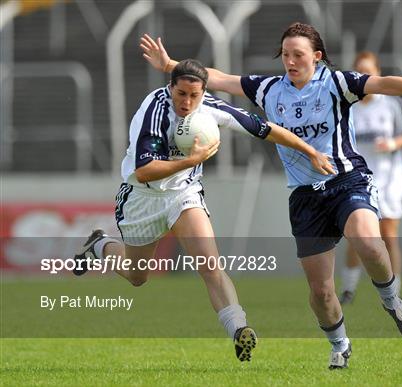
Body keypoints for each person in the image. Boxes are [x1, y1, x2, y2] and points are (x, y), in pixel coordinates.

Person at [141, 22, 402, 369]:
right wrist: (172, 65)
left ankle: (392, 299)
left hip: (346, 180)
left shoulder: (336, 83)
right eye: (286, 55)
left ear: (316, 57)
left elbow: (380, 84)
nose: (290, 61)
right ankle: (340, 345)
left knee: (367, 240)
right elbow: (219, 79)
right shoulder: (269, 89)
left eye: (298, 55)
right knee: (321, 293)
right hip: (306, 198)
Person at [73, 59, 334, 362]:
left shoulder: (212, 107)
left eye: (193, 95)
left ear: (203, 92)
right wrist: (191, 159)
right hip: (142, 197)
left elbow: (265, 129)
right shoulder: (155, 109)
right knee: (136, 275)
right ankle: (100, 245)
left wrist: (311, 151)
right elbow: (145, 171)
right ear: (170, 87)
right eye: (181, 93)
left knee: (210, 264)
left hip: (184, 194)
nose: (186, 102)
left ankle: (239, 330)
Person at [339, 51, 402, 305]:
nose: (365, 77)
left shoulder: (391, 104)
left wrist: (394, 142)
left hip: (389, 177)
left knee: (388, 233)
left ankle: (394, 291)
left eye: (369, 71)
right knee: (358, 234)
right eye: (360, 72)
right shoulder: (347, 106)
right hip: (357, 178)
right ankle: (349, 288)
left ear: (378, 73)